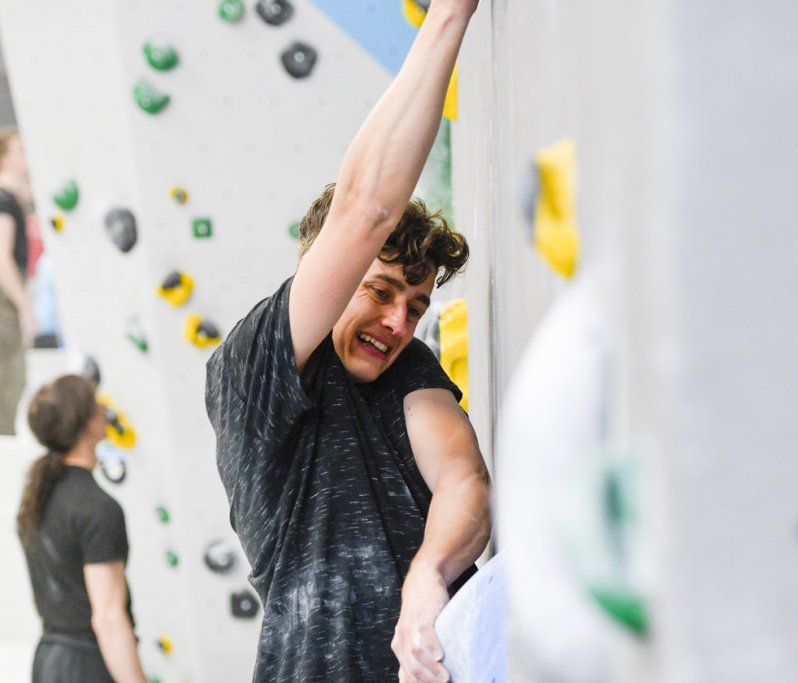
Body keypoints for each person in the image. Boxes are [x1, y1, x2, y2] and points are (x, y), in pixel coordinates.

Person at [205, 1, 491, 681]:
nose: (399, 322)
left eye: (417, 305)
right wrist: (450, 14)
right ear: (326, 276)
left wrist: (430, 573)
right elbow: (366, 209)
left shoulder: (408, 369)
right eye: (382, 290)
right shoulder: (255, 369)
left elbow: (462, 479)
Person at [17, 375, 147, 683]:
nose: (104, 408)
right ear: (88, 423)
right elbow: (108, 618)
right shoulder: (97, 508)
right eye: (96, 403)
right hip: (87, 667)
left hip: (49, 661)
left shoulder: (35, 500)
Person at [0, 127, 37, 434]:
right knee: (8, 383)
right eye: (20, 151)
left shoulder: (12, 198)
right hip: (5, 304)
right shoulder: (3, 200)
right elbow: (2, 259)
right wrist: (25, 307)